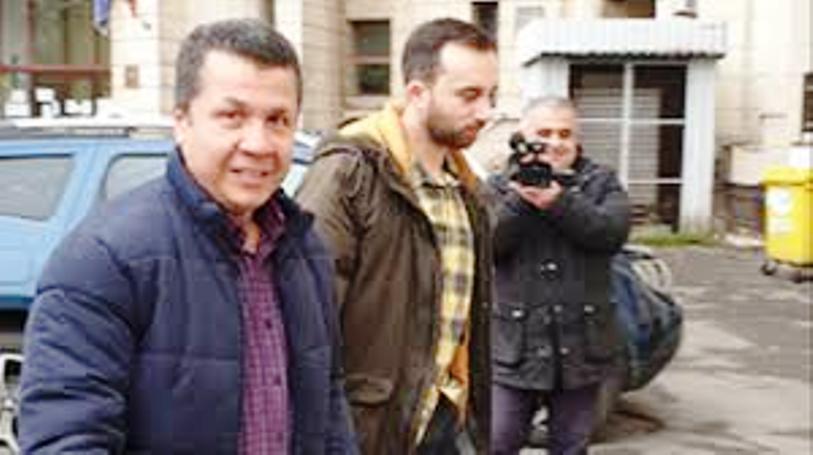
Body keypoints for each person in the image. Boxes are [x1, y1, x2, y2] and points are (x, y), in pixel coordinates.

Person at [19, 18, 355, 454]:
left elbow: (329, 408)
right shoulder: (104, 260)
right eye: (232, 117)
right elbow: (66, 439)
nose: (258, 143)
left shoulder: (304, 250)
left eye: (277, 120)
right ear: (181, 122)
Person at [295, 17, 497, 455]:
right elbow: (305, 323)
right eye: (469, 95)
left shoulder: (466, 191)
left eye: (490, 96)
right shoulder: (349, 172)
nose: (486, 112)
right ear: (417, 94)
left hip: (442, 422)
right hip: (364, 432)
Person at [489, 97, 631, 455]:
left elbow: (610, 233)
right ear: (523, 138)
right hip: (513, 349)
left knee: (571, 446)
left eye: (565, 134)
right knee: (497, 441)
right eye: (544, 133)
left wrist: (558, 201)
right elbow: (487, 243)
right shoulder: (499, 186)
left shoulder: (601, 182)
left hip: (581, 349)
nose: (555, 142)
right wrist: (520, 200)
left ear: (577, 139)